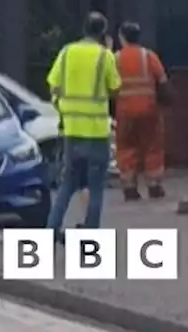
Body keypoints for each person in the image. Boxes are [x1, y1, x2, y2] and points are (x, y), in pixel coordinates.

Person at [45, 12, 121, 242]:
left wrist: (61, 107)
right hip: (96, 132)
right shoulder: (104, 56)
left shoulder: (67, 52)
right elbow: (115, 88)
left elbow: (53, 85)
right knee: (96, 186)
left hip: (71, 130)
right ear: (103, 32)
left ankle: (50, 231)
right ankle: (89, 235)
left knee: (67, 184)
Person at [113, 21, 170, 200]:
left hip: (124, 111)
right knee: (152, 146)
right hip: (148, 110)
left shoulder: (116, 58)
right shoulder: (149, 56)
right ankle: (154, 185)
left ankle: (129, 188)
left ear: (122, 37)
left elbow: (108, 84)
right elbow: (162, 82)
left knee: (126, 148)